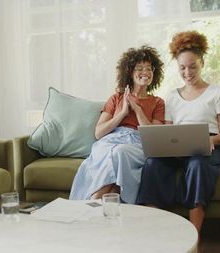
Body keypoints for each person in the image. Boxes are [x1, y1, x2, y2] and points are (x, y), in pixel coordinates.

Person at [136, 31, 220, 235]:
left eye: (193, 66)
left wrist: (211, 140)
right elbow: (168, 130)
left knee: (197, 164)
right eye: (182, 67)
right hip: (179, 147)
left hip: (208, 146)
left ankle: (194, 237)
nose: (187, 72)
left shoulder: (218, 93)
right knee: (153, 163)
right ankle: (153, 230)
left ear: (202, 64)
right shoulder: (172, 96)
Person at [69, 45, 165, 204]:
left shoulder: (158, 102)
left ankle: (91, 204)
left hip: (138, 143)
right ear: (130, 72)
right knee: (114, 156)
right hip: (110, 141)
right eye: (140, 68)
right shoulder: (116, 98)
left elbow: (153, 136)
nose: (146, 72)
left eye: (149, 68)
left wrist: (137, 109)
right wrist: (122, 114)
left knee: (120, 152)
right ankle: (104, 206)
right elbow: (98, 133)